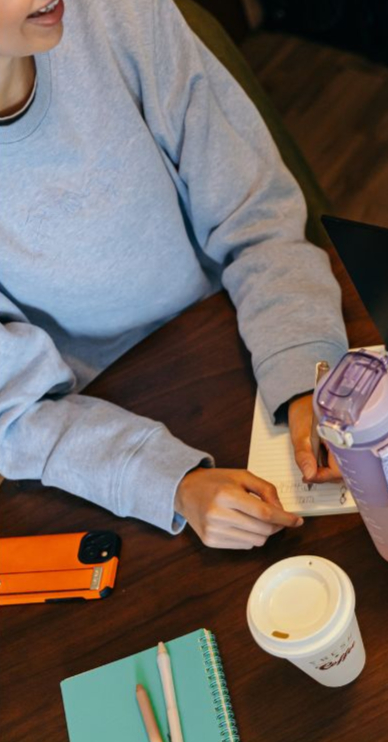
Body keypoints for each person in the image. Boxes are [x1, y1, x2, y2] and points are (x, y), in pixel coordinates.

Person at [0, 0, 347, 549]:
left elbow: (257, 217)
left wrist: (304, 371)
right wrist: (173, 483)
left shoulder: (121, 14)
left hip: (242, 335)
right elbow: (14, 413)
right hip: (100, 441)